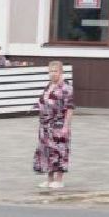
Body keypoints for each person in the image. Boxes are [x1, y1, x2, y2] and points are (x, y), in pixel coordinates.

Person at [32, 59, 74, 191]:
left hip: (58, 124)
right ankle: (49, 179)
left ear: (61, 72)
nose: (52, 74)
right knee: (46, 151)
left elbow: (70, 108)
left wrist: (66, 126)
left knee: (59, 150)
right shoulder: (48, 86)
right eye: (50, 71)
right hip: (45, 125)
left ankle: (59, 179)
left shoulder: (66, 88)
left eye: (55, 71)